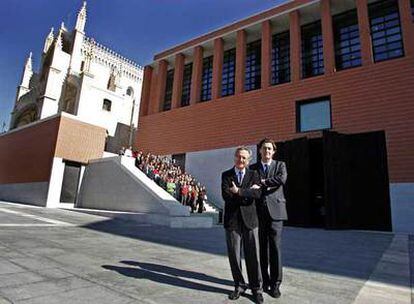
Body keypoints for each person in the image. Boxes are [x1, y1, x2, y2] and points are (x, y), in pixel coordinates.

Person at [221, 147, 264, 304]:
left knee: (254, 256)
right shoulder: (226, 175)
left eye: (244, 158)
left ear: (249, 160)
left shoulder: (254, 174)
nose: (241, 160)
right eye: (239, 157)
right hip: (232, 222)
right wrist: (247, 192)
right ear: (234, 157)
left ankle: (256, 289)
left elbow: (258, 194)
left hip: (251, 221)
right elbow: (226, 196)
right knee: (234, 256)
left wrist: (238, 191)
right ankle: (239, 285)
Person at [250, 138, 287, 298]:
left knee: (275, 249)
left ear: (273, 151)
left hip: (276, 213)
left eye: (269, 149)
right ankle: (264, 281)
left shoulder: (280, 165)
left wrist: (263, 182)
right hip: (258, 213)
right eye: (264, 148)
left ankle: (276, 283)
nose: (267, 151)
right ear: (260, 151)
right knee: (262, 250)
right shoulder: (253, 168)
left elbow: (281, 179)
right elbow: (251, 185)